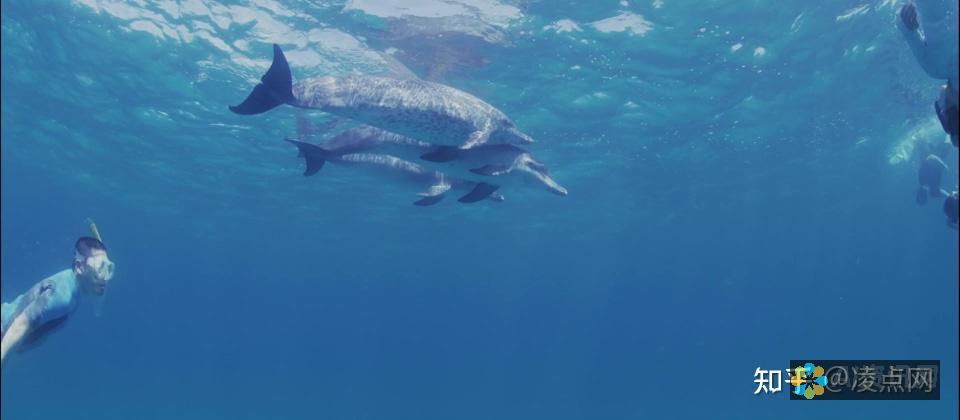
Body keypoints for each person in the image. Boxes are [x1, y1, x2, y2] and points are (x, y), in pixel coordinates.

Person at [1, 236, 115, 364]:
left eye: (109, 268)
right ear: (79, 267)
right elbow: (20, 324)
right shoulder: (63, 296)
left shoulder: (73, 290)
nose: (105, 278)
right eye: (100, 267)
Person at [897, 1, 960, 146]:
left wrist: (906, 21)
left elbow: (905, 26)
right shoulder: (934, 68)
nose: (941, 107)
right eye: (947, 116)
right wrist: (906, 21)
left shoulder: (935, 68)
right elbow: (905, 25)